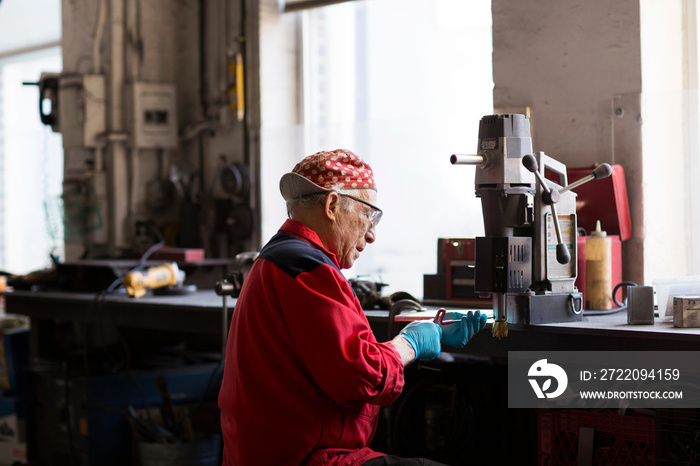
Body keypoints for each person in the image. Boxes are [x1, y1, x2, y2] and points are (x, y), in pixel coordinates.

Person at [218, 149, 487, 466]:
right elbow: (360, 375)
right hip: (308, 458)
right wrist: (409, 344)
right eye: (369, 215)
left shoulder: (280, 258)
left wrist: (428, 337)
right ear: (332, 206)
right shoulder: (303, 265)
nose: (371, 235)